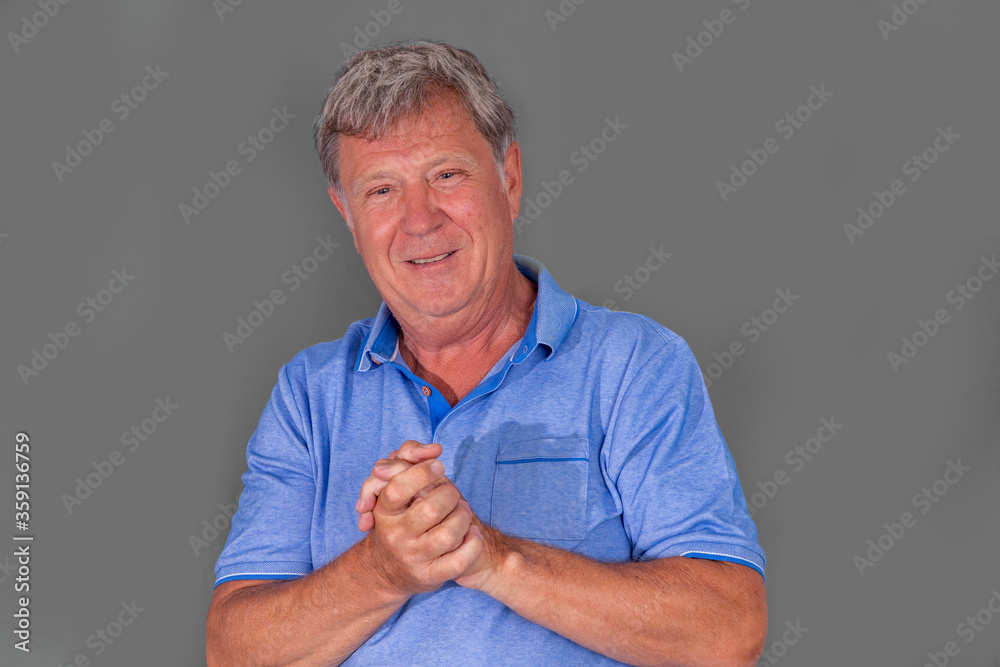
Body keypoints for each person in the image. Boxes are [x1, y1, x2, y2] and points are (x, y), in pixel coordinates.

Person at [206, 40, 767, 667]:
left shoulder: (635, 365)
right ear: (347, 214)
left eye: (446, 175)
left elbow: (727, 631)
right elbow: (233, 654)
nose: (420, 220)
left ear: (510, 179)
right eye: (381, 190)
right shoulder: (308, 395)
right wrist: (382, 570)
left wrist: (491, 557)